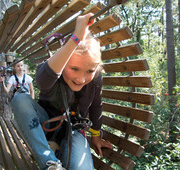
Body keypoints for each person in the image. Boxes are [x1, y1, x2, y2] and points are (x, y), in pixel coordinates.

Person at [11, 13, 112, 170]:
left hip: (73, 132)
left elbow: (96, 106)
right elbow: (42, 80)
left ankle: (58, 151)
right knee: (20, 100)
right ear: (64, 63)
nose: (81, 78)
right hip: (44, 125)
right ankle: (50, 163)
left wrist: (96, 136)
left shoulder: (96, 79)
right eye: (74, 69)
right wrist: (76, 38)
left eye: (90, 70)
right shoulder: (54, 69)